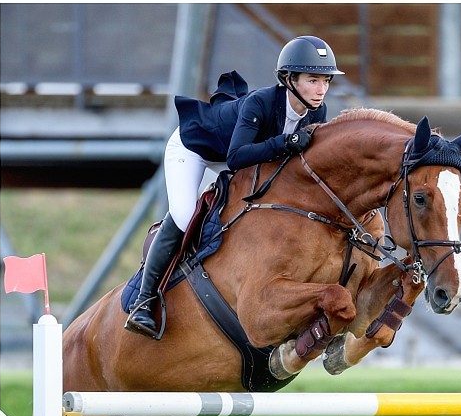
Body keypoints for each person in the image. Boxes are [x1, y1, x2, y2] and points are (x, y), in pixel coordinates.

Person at [125, 35, 344, 338]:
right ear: (289, 79)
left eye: (326, 81)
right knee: (186, 216)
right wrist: (285, 142)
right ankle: (143, 301)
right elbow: (237, 156)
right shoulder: (261, 103)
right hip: (195, 150)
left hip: (232, 161)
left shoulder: (317, 112)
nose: (321, 90)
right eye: (313, 80)